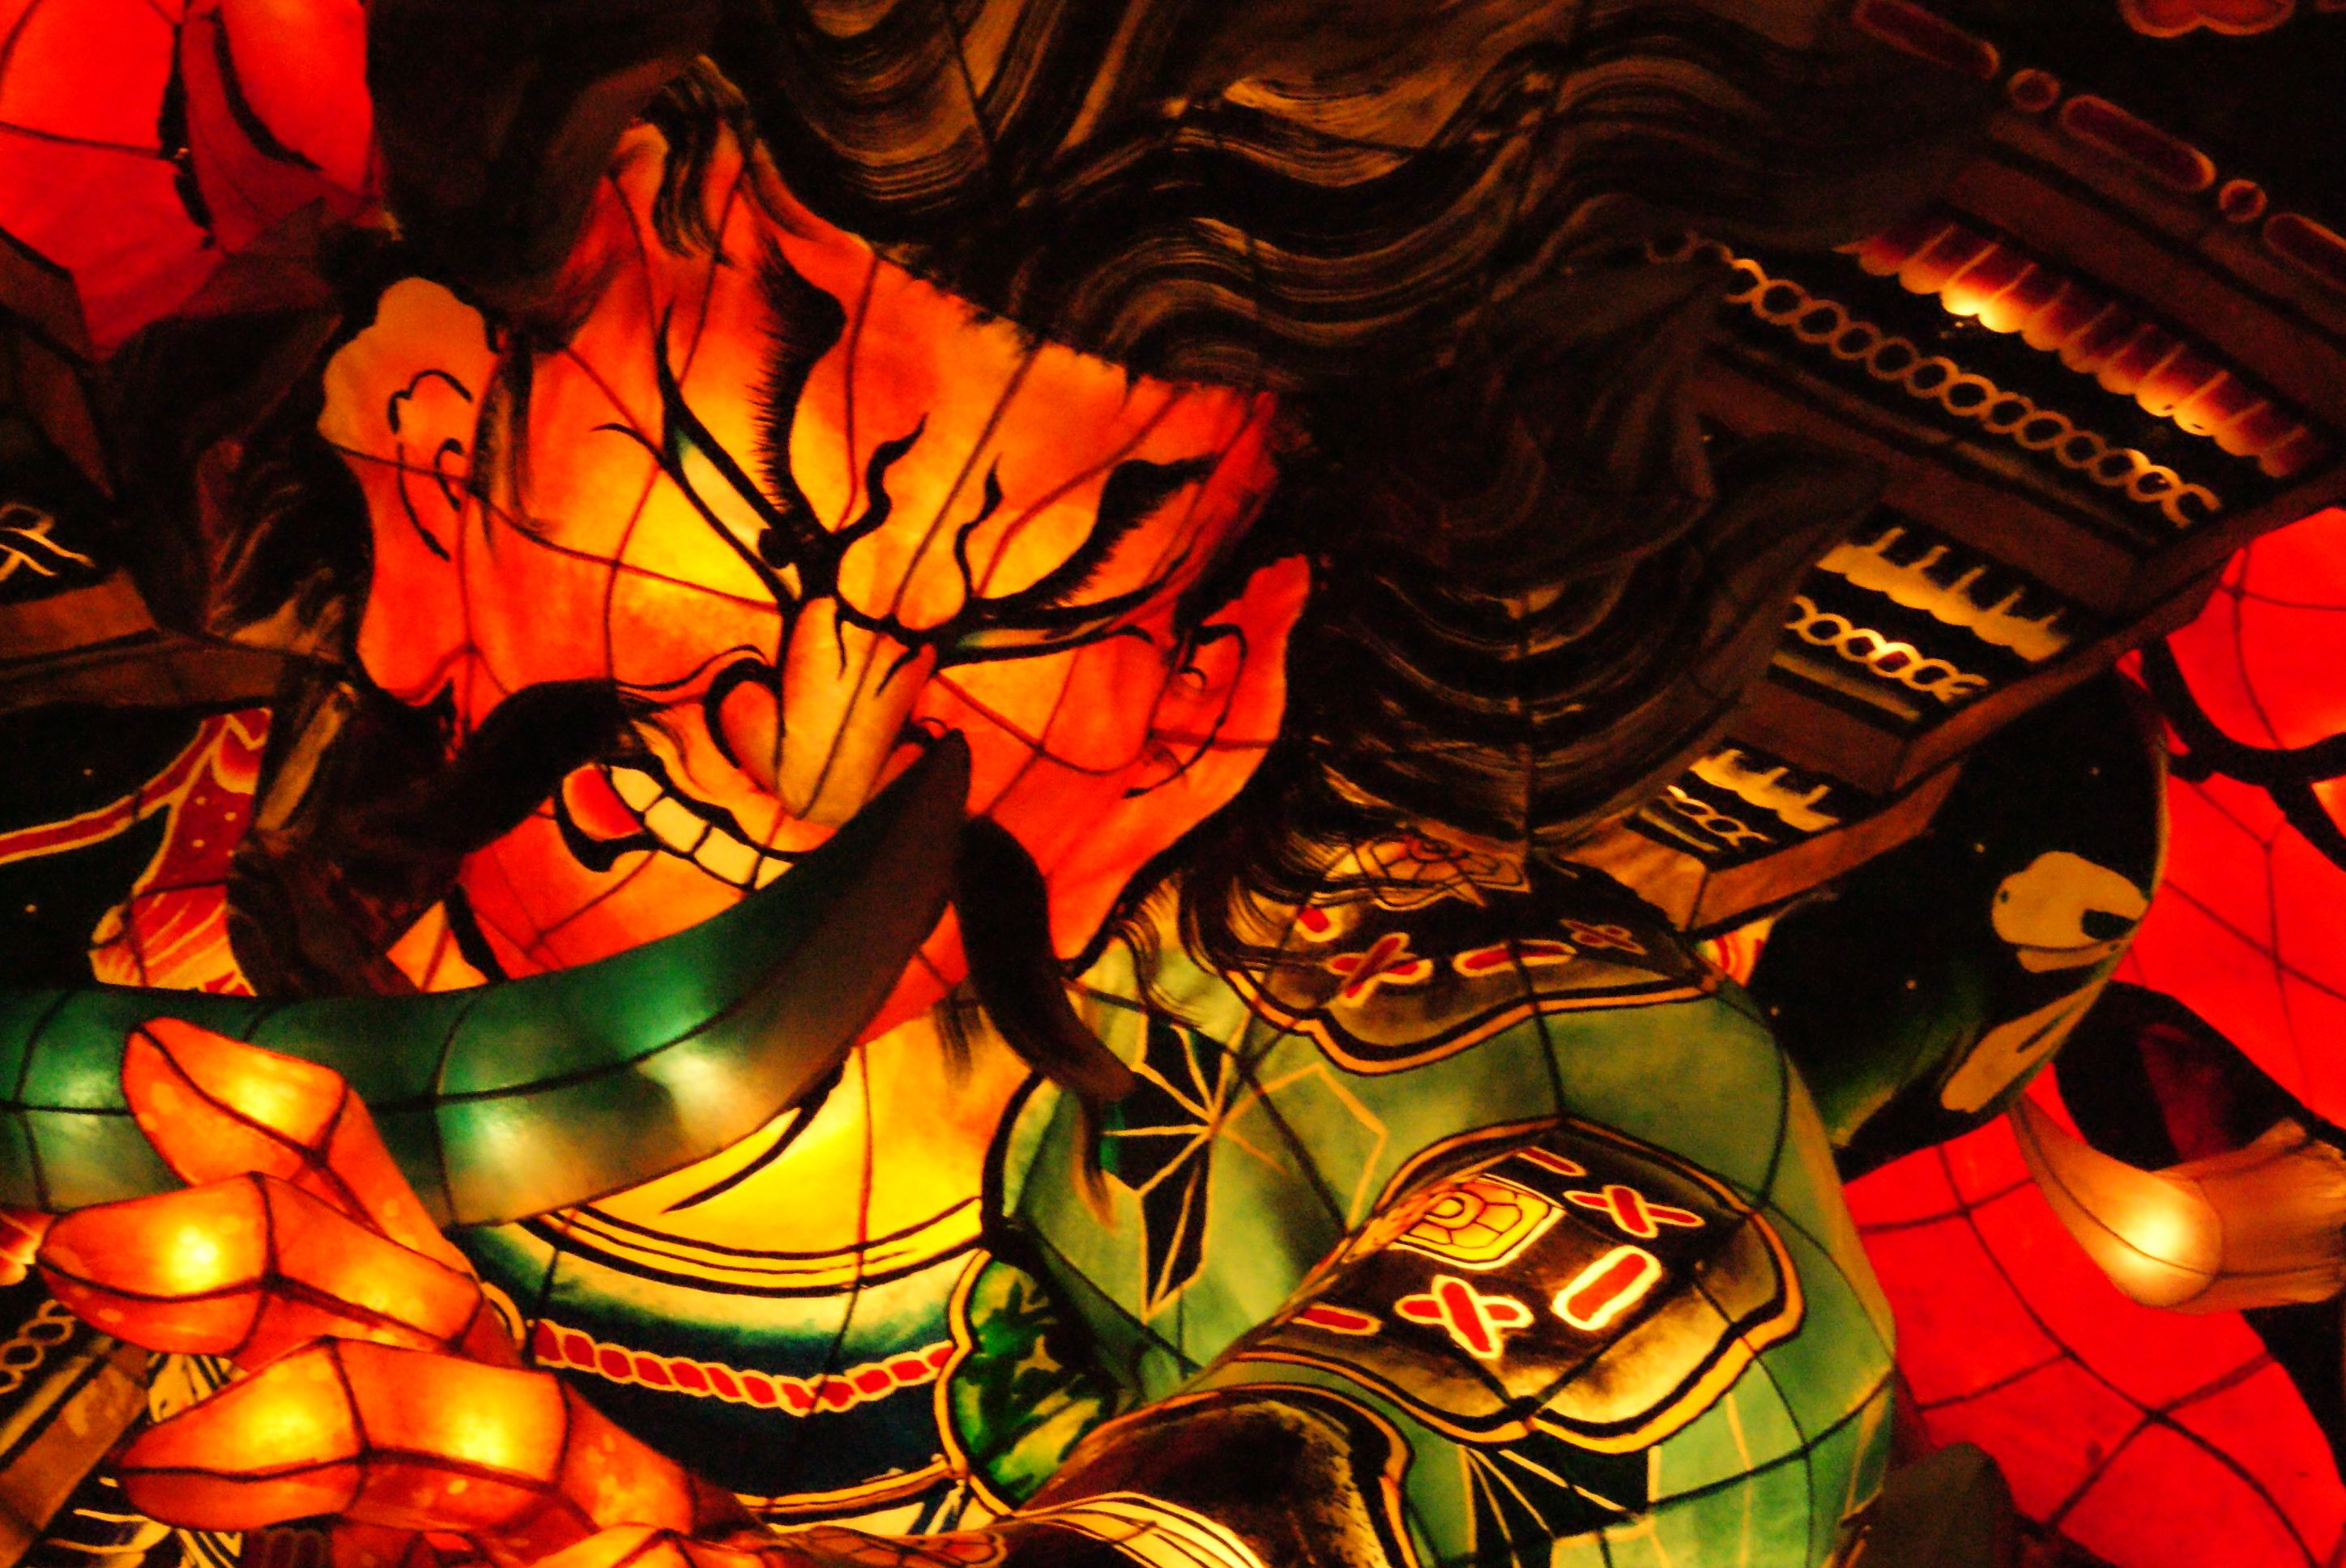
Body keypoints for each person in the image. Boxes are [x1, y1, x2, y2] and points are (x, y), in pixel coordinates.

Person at [1, 4, 2007, 1565]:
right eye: (742, 499)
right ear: (428, 444)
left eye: (1029, 611)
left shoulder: (1324, 1035)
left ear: (1207, 693)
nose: (814, 728)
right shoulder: (123, 826)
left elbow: (1679, 1306)